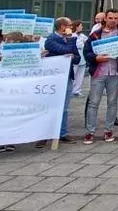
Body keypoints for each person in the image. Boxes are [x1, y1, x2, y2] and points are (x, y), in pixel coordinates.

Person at [83, 9, 118, 144]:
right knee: (93, 103)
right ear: (105, 18)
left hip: (115, 73)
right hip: (99, 72)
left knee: (112, 103)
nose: (113, 20)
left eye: (116, 18)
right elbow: (86, 52)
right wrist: (96, 58)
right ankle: (90, 132)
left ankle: (108, 130)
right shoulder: (95, 35)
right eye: (110, 18)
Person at [44, 17, 81, 146]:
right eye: (70, 25)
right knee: (51, 106)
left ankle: (62, 132)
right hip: (54, 77)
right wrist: (70, 40)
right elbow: (65, 51)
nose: (72, 27)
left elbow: (77, 58)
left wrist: (73, 55)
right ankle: (46, 133)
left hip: (67, 76)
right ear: (62, 27)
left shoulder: (70, 40)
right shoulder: (51, 40)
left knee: (64, 107)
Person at [72, 20, 88, 97]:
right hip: (75, 58)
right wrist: (83, 44)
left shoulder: (82, 36)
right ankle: (71, 90)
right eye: (80, 26)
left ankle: (77, 90)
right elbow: (78, 45)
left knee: (80, 76)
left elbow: (87, 43)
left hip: (83, 58)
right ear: (76, 26)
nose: (82, 27)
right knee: (73, 75)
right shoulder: (72, 35)